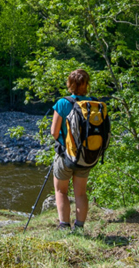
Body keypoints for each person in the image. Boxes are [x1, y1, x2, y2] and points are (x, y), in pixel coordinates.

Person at [50, 69, 92, 233]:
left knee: (61, 190)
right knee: (81, 193)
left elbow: (54, 132)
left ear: (70, 84)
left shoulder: (62, 103)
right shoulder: (93, 104)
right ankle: (79, 227)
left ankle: (64, 226)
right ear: (86, 85)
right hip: (86, 156)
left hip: (65, 155)